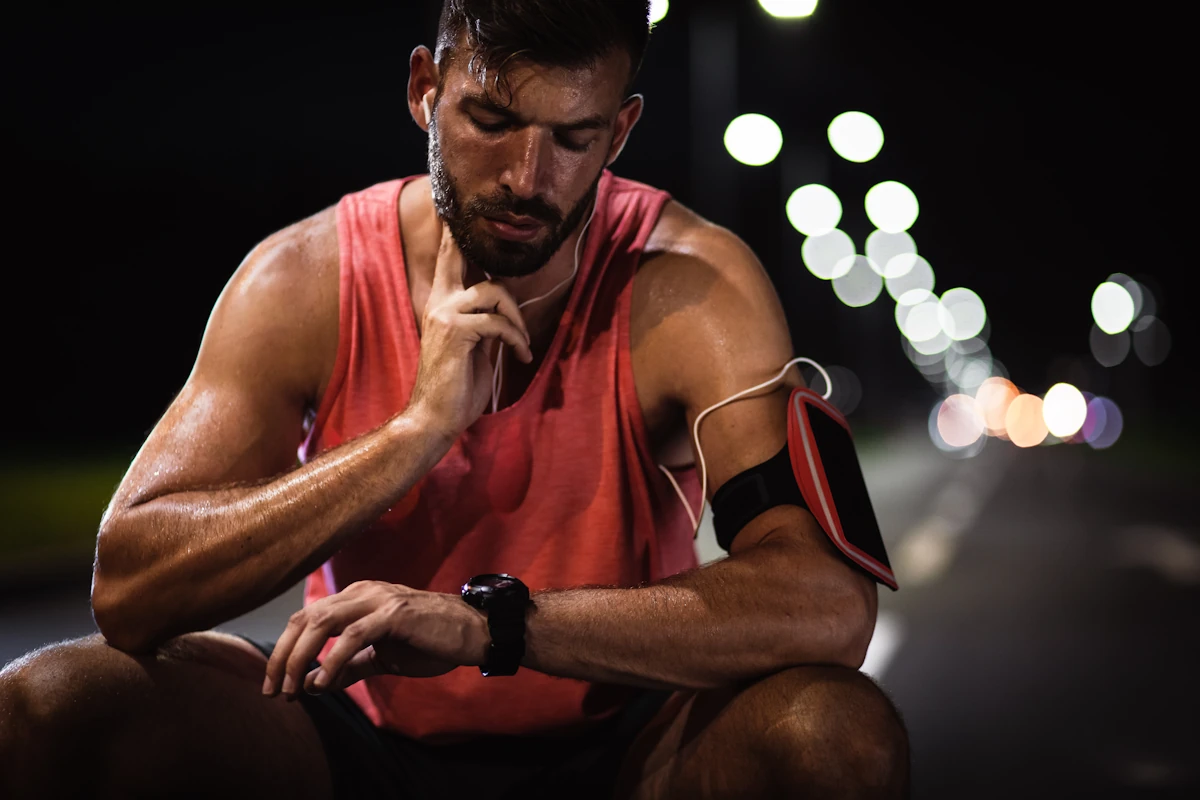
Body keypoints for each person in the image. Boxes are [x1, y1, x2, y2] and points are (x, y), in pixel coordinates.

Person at [0, 1, 909, 797]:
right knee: (48, 708)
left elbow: (825, 606)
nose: (526, 176)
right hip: (353, 737)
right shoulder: (306, 279)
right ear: (425, 90)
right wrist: (415, 430)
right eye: (491, 119)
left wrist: (492, 624)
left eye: (572, 138)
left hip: (629, 743)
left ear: (621, 132)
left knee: (834, 736)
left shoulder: (692, 285)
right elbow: (128, 587)